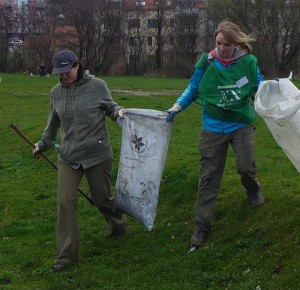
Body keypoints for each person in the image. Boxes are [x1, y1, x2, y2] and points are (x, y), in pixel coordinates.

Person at [166, 20, 265, 249]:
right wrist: (177, 107)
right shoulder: (207, 61)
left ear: (236, 44)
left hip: (240, 124)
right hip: (212, 127)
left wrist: (278, 97)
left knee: (245, 167)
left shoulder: (249, 63)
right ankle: (202, 226)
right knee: (209, 177)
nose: (221, 48)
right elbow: (193, 88)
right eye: (218, 43)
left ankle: (252, 189)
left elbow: (259, 89)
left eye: (227, 44)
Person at [33, 50, 127, 272]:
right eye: (60, 73)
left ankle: (118, 223)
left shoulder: (98, 86)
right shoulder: (56, 92)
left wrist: (120, 113)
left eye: (67, 72)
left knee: (101, 198)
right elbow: (53, 124)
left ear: (77, 66)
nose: (64, 76)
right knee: (65, 202)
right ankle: (65, 256)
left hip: (97, 154)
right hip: (69, 156)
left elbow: (110, 108)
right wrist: (43, 144)